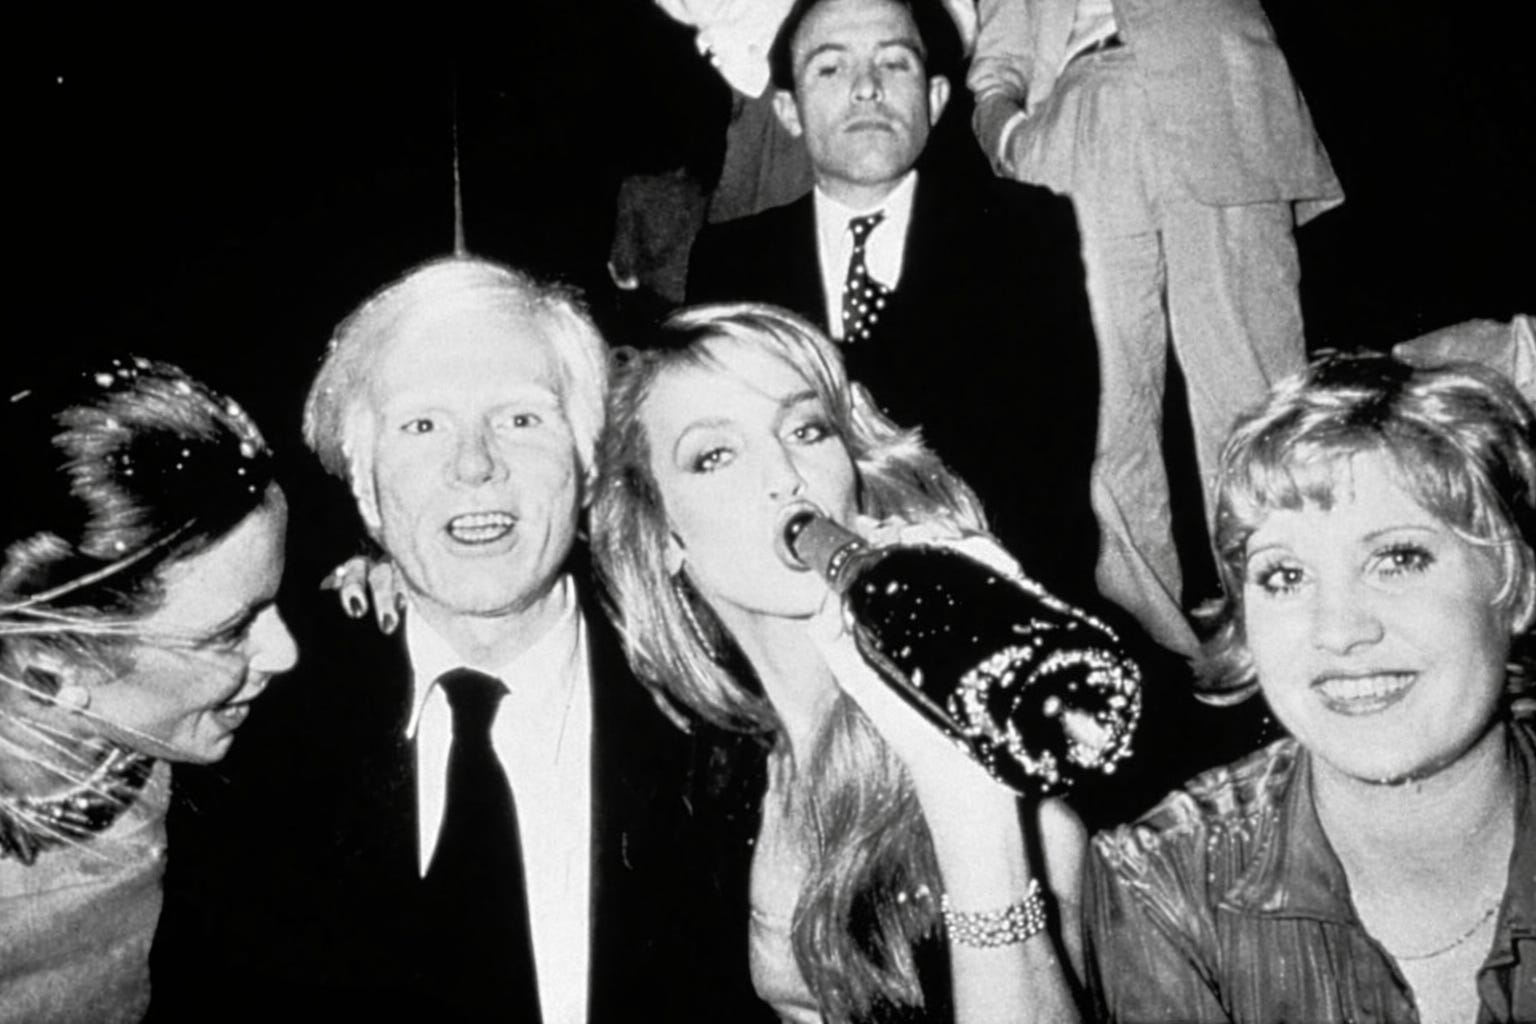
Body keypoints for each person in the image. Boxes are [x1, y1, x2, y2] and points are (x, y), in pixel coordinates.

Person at [151, 257, 765, 1023]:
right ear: (366, 487)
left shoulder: (720, 708)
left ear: (587, 463)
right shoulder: (259, 731)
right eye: (423, 425)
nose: (475, 465)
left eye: (521, 419)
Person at [590, 302, 1104, 1024]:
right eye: (715, 454)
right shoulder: (707, 780)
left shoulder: (990, 776)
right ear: (664, 534)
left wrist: (969, 804)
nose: (784, 476)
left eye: (806, 430)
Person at [1082, 351, 1536, 1023]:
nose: (1339, 631)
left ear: (1517, 588)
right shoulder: (1167, 879)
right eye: (1285, 576)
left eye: (1398, 559)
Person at [686, 0, 1101, 606]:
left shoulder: (1023, 235)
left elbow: (1050, 478)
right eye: (831, 68)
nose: (867, 88)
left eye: (895, 64)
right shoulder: (731, 264)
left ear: (935, 100)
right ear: (788, 110)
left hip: (990, 599)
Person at [968, 0, 1345, 658]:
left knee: (1255, 389)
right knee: (1100, 410)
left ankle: (1290, 632)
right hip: (1077, 117)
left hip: (1216, 90)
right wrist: (1013, 138)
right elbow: (996, 67)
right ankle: (1153, 655)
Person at [0, 357, 296, 1023]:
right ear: (56, 661)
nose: (286, 653)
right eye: (230, 631)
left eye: (273, 604)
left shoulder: (239, 784)